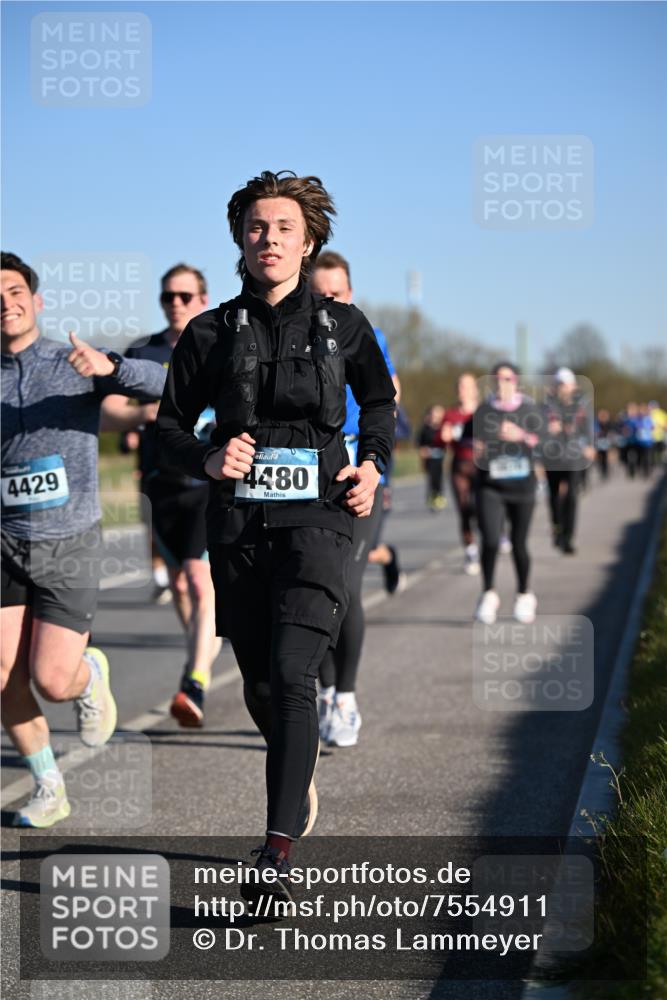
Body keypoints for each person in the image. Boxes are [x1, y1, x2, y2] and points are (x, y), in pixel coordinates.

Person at [156, 172, 395, 901]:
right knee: (260, 680)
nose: (269, 239)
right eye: (257, 227)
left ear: (308, 239)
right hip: (239, 523)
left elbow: (381, 402)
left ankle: (274, 853)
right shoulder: (207, 332)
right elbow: (166, 429)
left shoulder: (343, 324)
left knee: (294, 673)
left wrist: (373, 465)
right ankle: (297, 776)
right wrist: (204, 453)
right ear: (240, 238)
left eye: (283, 227)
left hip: (320, 516)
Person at [1, 251, 166, 827]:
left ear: (36, 301)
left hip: (69, 540)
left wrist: (111, 367)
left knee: (51, 679)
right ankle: (49, 786)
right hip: (4, 542)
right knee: (0, 672)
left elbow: (165, 385)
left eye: (15, 291)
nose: (6, 302)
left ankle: (89, 673)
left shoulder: (72, 362)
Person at [101, 264, 219, 727]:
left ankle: (195, 680)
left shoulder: (220, 345)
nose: (176, 303)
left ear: (203, 299)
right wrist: (140, 415)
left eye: (185, 296)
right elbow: (108, 411)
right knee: (178, 586)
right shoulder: (143, 351)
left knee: (196, 576)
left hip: (206, 482)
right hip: (158, 484)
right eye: (168, 296)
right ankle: (204, 646)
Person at [310, 250, 401, 748]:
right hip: (308, 476)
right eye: (319, 293)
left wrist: (371, 452)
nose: (327, 301)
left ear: (351, 295)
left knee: (345, 585)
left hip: (357, 474)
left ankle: (346, 696)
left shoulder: (363, 332)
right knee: (312, 585)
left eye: (336, 294)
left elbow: (386, 392)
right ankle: (325, 692)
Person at [473, 361, 541, 625]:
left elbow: (546, 442)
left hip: (522, 486)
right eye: (498, 379)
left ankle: (524, 593)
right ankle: (488, 593)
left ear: (517, 382)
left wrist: (522, 436)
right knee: (490, 540)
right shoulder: (484, 409)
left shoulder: (529, 409)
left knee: (519, 543)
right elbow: (471, 440)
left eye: (508, 379)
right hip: (491, 485)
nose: (503, 384)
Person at [542, 367, 594, 555]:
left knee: (572, 496)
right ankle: (557, 527)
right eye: (561, 384)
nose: (565, 388)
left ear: (574, 385)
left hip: (574, 457)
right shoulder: (547, 405)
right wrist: (548, 430)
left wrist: (589, 445)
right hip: (552, 456)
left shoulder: (581, 405)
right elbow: (538, 429)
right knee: (554, 495)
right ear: (556, 386)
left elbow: (587, 428)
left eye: (568, 384)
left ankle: (568, 538)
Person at [440, 372, 480, 574]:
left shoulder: (483, 412)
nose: (462, 390)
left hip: (482, 467)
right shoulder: (450, 415)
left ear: (475, 390)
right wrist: (444, 437)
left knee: (481, 507)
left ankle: (499, 531)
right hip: (460, 466)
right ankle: (470, 550)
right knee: (464, 509)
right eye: (459, 386)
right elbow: (440, 441)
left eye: (466, 386)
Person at [417, 404, 447, 511]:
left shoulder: (443, 428)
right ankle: (431, 497)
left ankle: (439, 496)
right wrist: (423, 455)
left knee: (439, 479)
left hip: (440, 459)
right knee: (431, 479)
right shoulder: (425, 429)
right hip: (430, 460)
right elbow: (420, 445)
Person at [594, 408, 614, 481]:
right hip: (598, 443)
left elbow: (611, 433)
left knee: (605, 458)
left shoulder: (608, 423)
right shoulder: (596, 423)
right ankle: (602, 471)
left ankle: (605, 472)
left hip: (606, 443)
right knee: (599, 458)